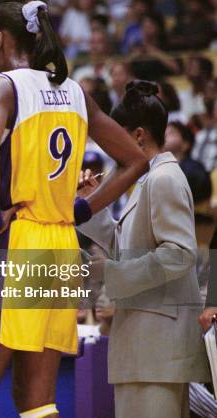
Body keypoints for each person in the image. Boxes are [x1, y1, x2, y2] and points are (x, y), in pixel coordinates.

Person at [0, 2, 148, 418]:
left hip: (16, 240)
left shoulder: (2, 85)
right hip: (61, 248)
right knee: (39, 403)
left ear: (0, 40)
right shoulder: (75, 91)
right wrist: (80, 210)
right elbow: (135, 159)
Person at [78, 80, 210, 418]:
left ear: (137, 136)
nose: (109, 149)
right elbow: (127, 250)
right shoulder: (146, 180)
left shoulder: (164, 178)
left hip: (158, 346)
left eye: (114, 138)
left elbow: (180, 253)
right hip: (143, 344)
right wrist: (90, 206)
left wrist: (110, 272)